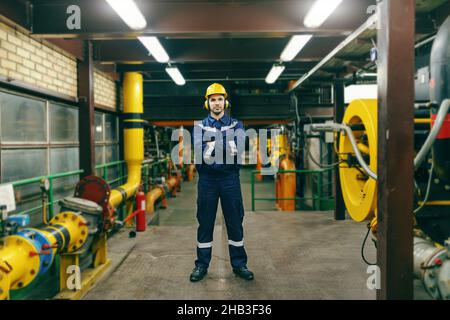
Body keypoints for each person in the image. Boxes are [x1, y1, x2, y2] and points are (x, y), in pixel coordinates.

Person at [189, 83, 254, 282]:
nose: (216, 103)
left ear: (225, 101)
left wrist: (214, 145)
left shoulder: (237, 125)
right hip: (207, 181)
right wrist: (226, 144)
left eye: (219, 99)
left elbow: (239, 147)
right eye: (212, 99)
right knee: (205, 222)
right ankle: (201, 266)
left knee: (235, 222)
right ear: (207, 103)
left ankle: (240, 264)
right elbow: (202, 152)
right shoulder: (199, 126)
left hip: (229, 180)